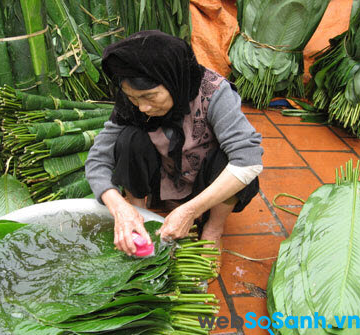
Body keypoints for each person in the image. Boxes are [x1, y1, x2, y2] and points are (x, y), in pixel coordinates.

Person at [85, 30, 263, 263]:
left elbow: (248, 161)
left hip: (206, 184)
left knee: (229, 158)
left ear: (173, 80)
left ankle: (212, 230)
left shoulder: (214, 93)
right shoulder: (133, 103)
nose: (142, 108)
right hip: (164, 178)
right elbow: (98, 161)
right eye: (133, 98)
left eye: (151, 96)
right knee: (129, 139)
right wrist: (120, 207)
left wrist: (191, 210)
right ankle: (141, 218)